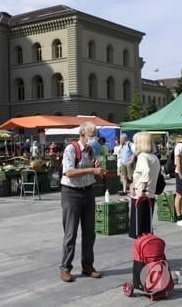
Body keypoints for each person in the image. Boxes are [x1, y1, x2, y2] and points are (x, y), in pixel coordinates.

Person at [60, 121, 105, 283]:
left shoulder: (91, 150)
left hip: (88, 191)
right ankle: (65, 268)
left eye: (96, 135)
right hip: (71, 193)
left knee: (89, 233)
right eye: (92, 135)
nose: (95, 139)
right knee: (70, 233)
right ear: (83, 135)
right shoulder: (71, 149)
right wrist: (92, 170)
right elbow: (69, 172)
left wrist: (95, 165)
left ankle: (88, 266)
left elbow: (90, 167)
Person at [128, 132, 160, 239]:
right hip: (150, 195)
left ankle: (140, 252)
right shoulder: (154, 157)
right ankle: (146, 252)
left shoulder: (142, 156)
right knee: (146, 228)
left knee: (138, 230)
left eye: (136, 142)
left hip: (140, 195)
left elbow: (146, 172)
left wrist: (142, 190)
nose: (135, 144)